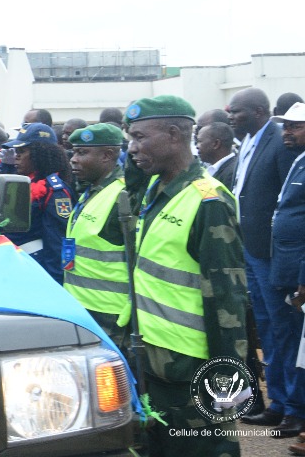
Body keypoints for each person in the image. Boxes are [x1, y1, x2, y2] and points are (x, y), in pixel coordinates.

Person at [123, 96, 247, 456]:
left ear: (175, 135)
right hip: (154, 360)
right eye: (129, 139)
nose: (132, 148)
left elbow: (228, 300)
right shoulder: (156, 188)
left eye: (140, 137)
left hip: (190, 368)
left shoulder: (208, 201)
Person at [228, 88, 299, 434]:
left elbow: (291, 199)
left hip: (273, 254)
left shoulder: (280, 141)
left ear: (258, 111)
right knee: (267, 329)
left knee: (285, 329)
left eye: (236, 112)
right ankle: (278, 403)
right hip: (251, 249)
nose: (230, 117)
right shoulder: (248, 142)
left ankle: (294, 407)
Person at [64, 123, 130, 344]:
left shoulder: (123, 196)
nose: (74, 159)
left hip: (110, 314)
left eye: (82, 153)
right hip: (83, 307)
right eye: (74, 152)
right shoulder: (92, 189)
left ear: (107, 155)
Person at [264, 103, 305, 455]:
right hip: (286, 268)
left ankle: (297, 412)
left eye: (295, 126)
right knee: (290, 342)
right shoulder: (298, 159)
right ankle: (293, 410)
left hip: (298, 274)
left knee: (298, 345)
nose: (287, 132)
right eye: (285, 126)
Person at [1, 123, 75, 283]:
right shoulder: (24, 182)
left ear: (39, 154)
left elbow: (56, 242)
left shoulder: (55, 190)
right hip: (19, 262)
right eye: (16, 151)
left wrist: (53, 282)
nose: (16, 156)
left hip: (40, 268)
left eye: (22, 151)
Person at [196, 122, 237, 189]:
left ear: (216, 144)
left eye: (200, 141)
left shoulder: (232, 173)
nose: (197, 146)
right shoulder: (213, 169)